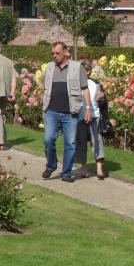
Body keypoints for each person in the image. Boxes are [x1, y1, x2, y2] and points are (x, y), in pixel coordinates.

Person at [41, 41, 93, 183]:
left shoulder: (77, 67)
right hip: (51, 111)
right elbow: (46, 88)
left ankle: (66, 173)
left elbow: (85, 88)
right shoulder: (50, 67)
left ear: (66, 52)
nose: (54, 56)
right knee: (48, 139)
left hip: (71, 113)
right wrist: (43, 107)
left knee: (70, 143)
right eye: (52, 53)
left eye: (57, 53)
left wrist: (88, 108)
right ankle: (51, 165)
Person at [76, 60, 107, 180]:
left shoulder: (96, 84)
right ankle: (84, 168)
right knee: (81, 142)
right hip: (80, 117)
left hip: (95, 117)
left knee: (97, 142)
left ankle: (99, 169)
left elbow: (104, 103)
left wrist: (102, 99)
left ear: (88, 72)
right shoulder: (75, 84)